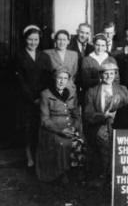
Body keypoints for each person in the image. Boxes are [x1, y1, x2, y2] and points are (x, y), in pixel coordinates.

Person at [36, 68, 85, 182]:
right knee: (62, 143)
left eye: (65, 78)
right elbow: (45, 120)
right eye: (59, 78)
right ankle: (61, 172)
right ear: (54, 79)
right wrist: (60, 131)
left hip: (69, 126)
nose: (62, 81)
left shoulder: (71, 92)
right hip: (52, 129)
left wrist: (74, 127)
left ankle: (76, 170)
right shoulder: (46, 94)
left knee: (80, 140)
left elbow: (76, 115)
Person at [84, 62, 128, 180]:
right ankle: (105, 176)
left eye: (112, 73)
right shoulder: (92, 91)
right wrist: (104, 115)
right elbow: (88, 114)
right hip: (100, 126)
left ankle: (118, 177)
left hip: (120, 127)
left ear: (115, 75)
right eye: (105, 73)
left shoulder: (122, 89)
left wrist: (119, 116)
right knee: (104, 148)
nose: (109, 76)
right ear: (101, 75)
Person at [15, 25, 52, 167]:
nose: (33, 42)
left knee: (41, 127)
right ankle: (29, 156)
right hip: (26, 99)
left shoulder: (44, 56)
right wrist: (32, 98)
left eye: (36, 39)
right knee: (28, 128)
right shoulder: (19, 56)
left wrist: (42, 97)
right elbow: (20, 81)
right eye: (30, 39)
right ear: (25, 40)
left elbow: (48, 79)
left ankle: (40, 156)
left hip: (42, 99)